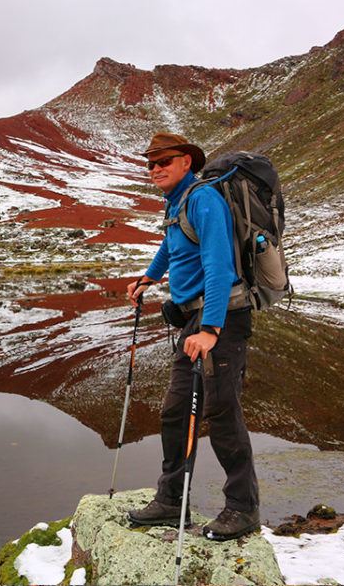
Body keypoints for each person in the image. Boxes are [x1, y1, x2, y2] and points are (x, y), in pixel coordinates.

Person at [125, 131, 260, 541]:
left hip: (220, 320)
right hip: (193, 321)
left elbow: (219, 267)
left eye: (163, 161)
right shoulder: (177, 202)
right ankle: (172, 502)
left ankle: (243, 508)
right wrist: (149, 276)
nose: (155, 169)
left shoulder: (203, 199)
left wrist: (210, 330)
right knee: (175, 411)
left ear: (187, 161)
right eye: (150, 163)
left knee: (220, 411)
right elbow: (172, 243)